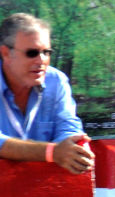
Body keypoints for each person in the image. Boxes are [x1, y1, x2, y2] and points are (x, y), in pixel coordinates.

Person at [0, 13, 93, 175]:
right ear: (6, 54)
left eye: (47, 52)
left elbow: (69, 127)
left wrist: (71, 148)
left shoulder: (56, 81)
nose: (41, 60)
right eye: (32, 53)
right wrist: (52, 152)